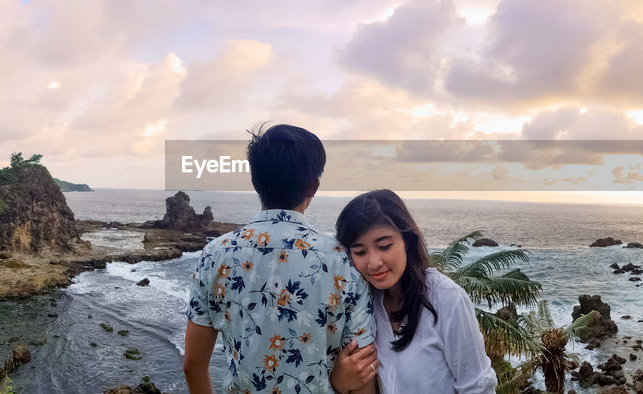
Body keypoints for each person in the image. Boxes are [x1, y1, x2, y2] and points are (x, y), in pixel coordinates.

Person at [184, 124, 379, 394]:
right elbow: (362, 370)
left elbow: (192, 366)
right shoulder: (344, 260)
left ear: (255, 181)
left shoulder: (215, 254)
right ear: (313, 186)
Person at [331, 189, 497, 394]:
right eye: (359, 252)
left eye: (384, 246)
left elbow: (478, 388)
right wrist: (338, 382)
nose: (373, 263)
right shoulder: (360, 306)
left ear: (408, 242)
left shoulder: (447, 299)